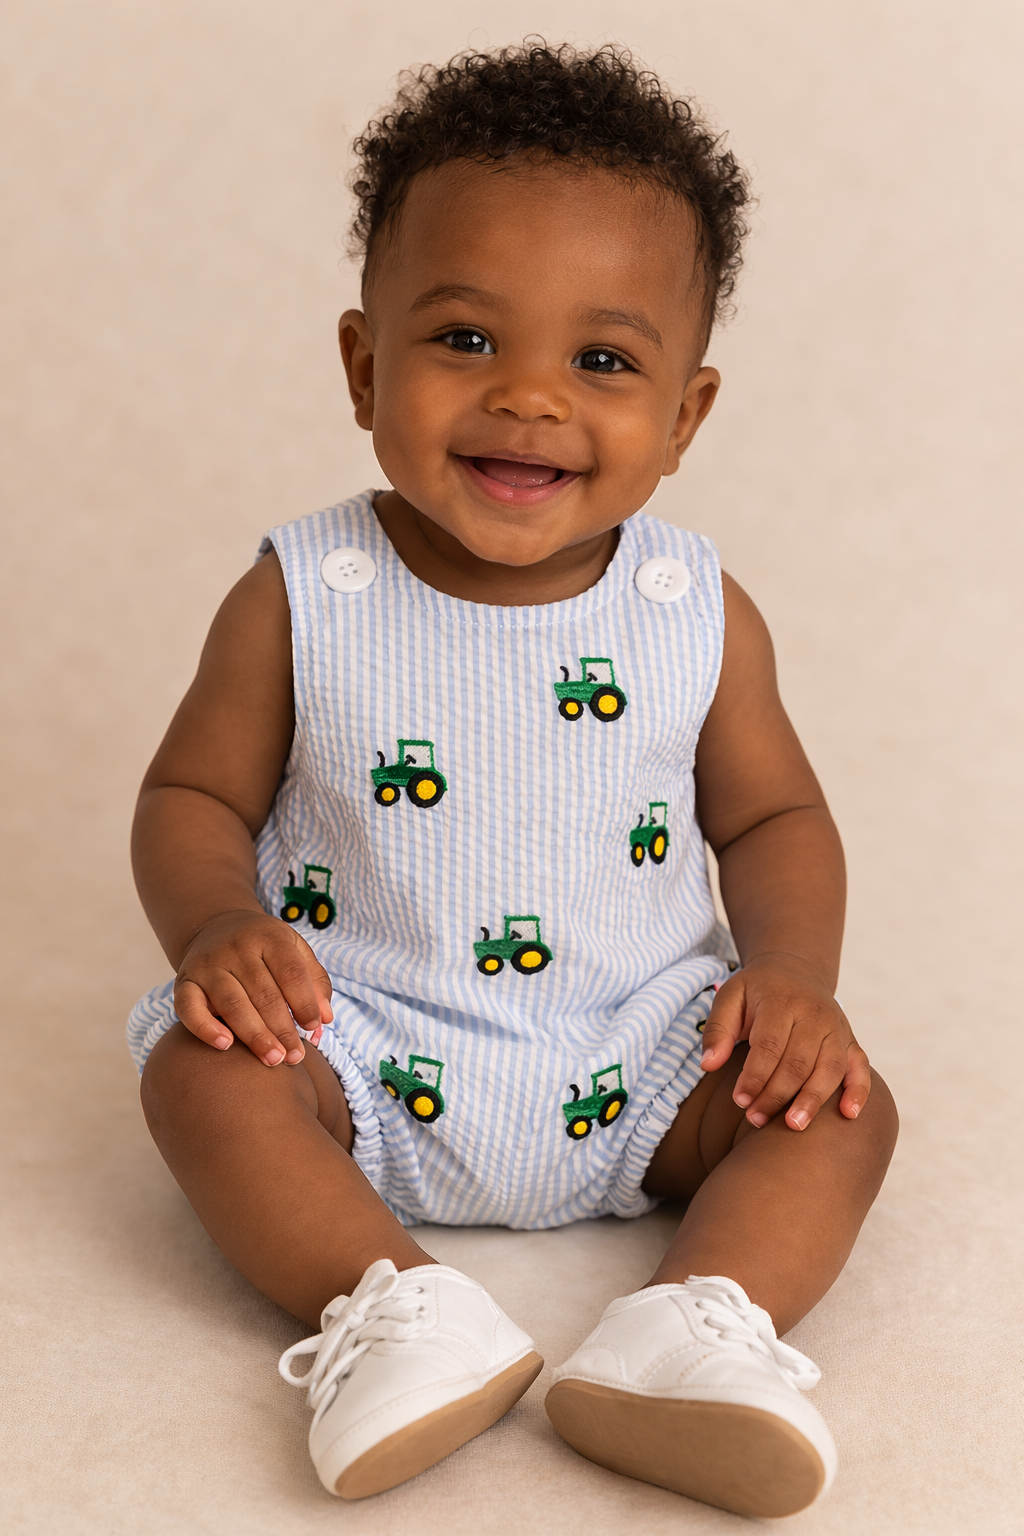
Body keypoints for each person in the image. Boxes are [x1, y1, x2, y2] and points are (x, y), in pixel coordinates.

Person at [129, 42, 898, 1519]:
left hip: (638, 1051)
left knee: (845, 1110)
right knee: (199, 1076)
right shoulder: (308, 593)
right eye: (466, 340)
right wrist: (217, 927)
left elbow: (775, 815)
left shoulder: (693, 613)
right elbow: (193, 800)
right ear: (364, 367)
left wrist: (795, 974)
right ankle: (397, 1310)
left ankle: (692, 1332)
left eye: (603, 362)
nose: (531, 400)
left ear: (685, 415)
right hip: (356, 1037)